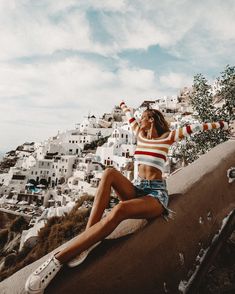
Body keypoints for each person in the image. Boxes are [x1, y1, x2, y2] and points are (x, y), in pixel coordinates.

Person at [25, 101, 229, 293]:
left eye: (144, 118)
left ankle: (58, 260)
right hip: (137, 188)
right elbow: (129, 116)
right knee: (109, 173)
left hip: (155, 195)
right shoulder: (139, 135)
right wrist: (123, 105)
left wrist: (224, 124)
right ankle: (87, 240)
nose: (139, 120)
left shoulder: (168, 137)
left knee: (119, 210)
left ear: (151, 119)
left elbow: (198, 128)